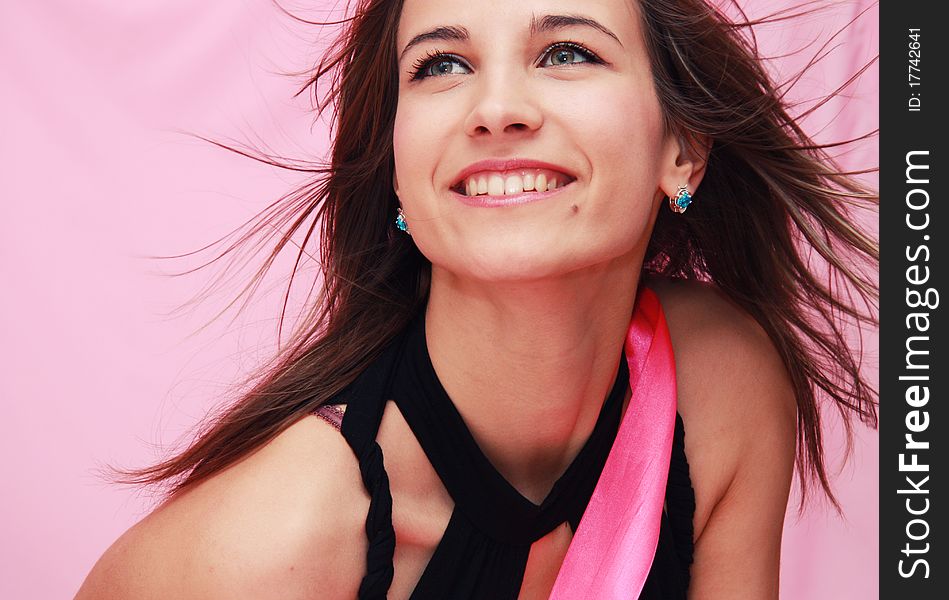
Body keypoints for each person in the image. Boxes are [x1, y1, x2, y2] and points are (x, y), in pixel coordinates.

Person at [75, 0, 877, 598]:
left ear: (682, 150)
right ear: (395, 171)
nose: (495, 111)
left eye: (566, 52)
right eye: (441, 66)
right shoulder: (262, 550)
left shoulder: (718, 384)